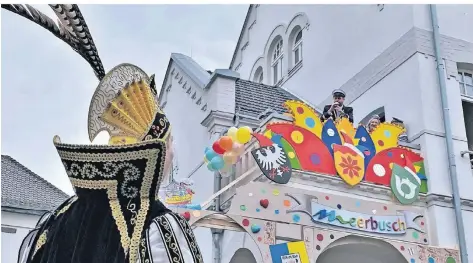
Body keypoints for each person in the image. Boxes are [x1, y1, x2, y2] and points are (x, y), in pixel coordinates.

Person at [5, 5, 204, 263]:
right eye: (171, 142)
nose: (174, 152)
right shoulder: (156, 226)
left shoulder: (51, 223)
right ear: (155, 151)